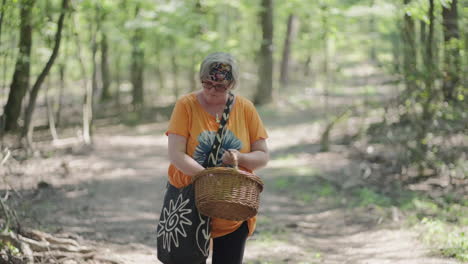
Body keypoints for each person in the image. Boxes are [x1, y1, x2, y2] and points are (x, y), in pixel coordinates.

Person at [165, 52, 269, 264]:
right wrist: (206, 176)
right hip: (189, 203)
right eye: (207, 84)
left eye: (220, 87)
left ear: (232, 84)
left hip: (232, 206)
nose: (212, 91)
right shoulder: (186, 105)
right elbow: (176, 153)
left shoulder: (245, 108)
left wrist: (239, 157)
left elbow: (263, 156)